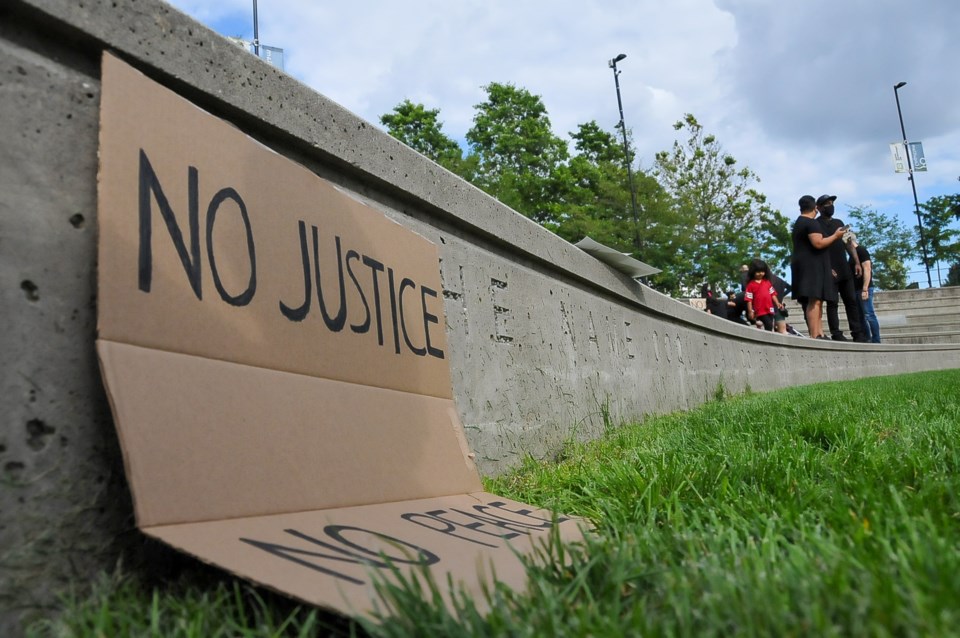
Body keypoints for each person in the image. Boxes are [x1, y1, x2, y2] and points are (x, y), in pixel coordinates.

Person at [791, 195, 846, 340]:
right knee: (814, 300)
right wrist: (836, 236)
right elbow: (818, 243)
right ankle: (815, 334)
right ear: (815, 207)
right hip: (811, 267)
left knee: (818, 300)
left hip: (808, 265)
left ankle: (820, 332)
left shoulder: (799, 222)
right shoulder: (811, 223)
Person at [816, 195, 867, 342]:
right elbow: (817, 248)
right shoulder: (816, 225)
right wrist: (826, 268)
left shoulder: (839, 223)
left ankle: (857, 333)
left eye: (831, 203)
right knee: (832, 303)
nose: (830, 206)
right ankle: (836, 334)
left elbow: (849, 243)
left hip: (844, 269)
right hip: (829, 270)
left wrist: (856, 261)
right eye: (826, 204)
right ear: (819, 208)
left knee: (851, 301)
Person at [849, 237, 881, 343]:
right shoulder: (851, 256)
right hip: (856, 288)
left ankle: (876, 339)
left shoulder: (861, 251)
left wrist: (865, 289)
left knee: (869, 314)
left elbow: (867, 269)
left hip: (864, 288)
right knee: (860, 316)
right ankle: (867, 338)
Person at [745, 259, 782, 331]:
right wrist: (750, 311)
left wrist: (777, 303)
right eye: (758, 272)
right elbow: (748, 299)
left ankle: (766, 335)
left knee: (770, 324)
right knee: (768, 324)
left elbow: (773, 294)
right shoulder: (751, 285)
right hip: (760, 310)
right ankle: (768, 337)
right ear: (753, 272)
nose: (760, 273)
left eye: (762, 271)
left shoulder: (767, 282)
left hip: (769, 308)